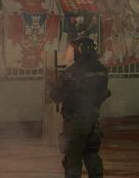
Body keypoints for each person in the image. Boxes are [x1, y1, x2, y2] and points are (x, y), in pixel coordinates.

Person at [50, 37, 111, 178]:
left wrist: (53, 84)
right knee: (92, 154)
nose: (71, 53)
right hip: (93, 119)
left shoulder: (72, 72)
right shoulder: (101, 70)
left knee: (73, 158)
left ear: (80, 51)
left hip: (75, 121)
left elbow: (57, 96)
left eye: (73, 49)